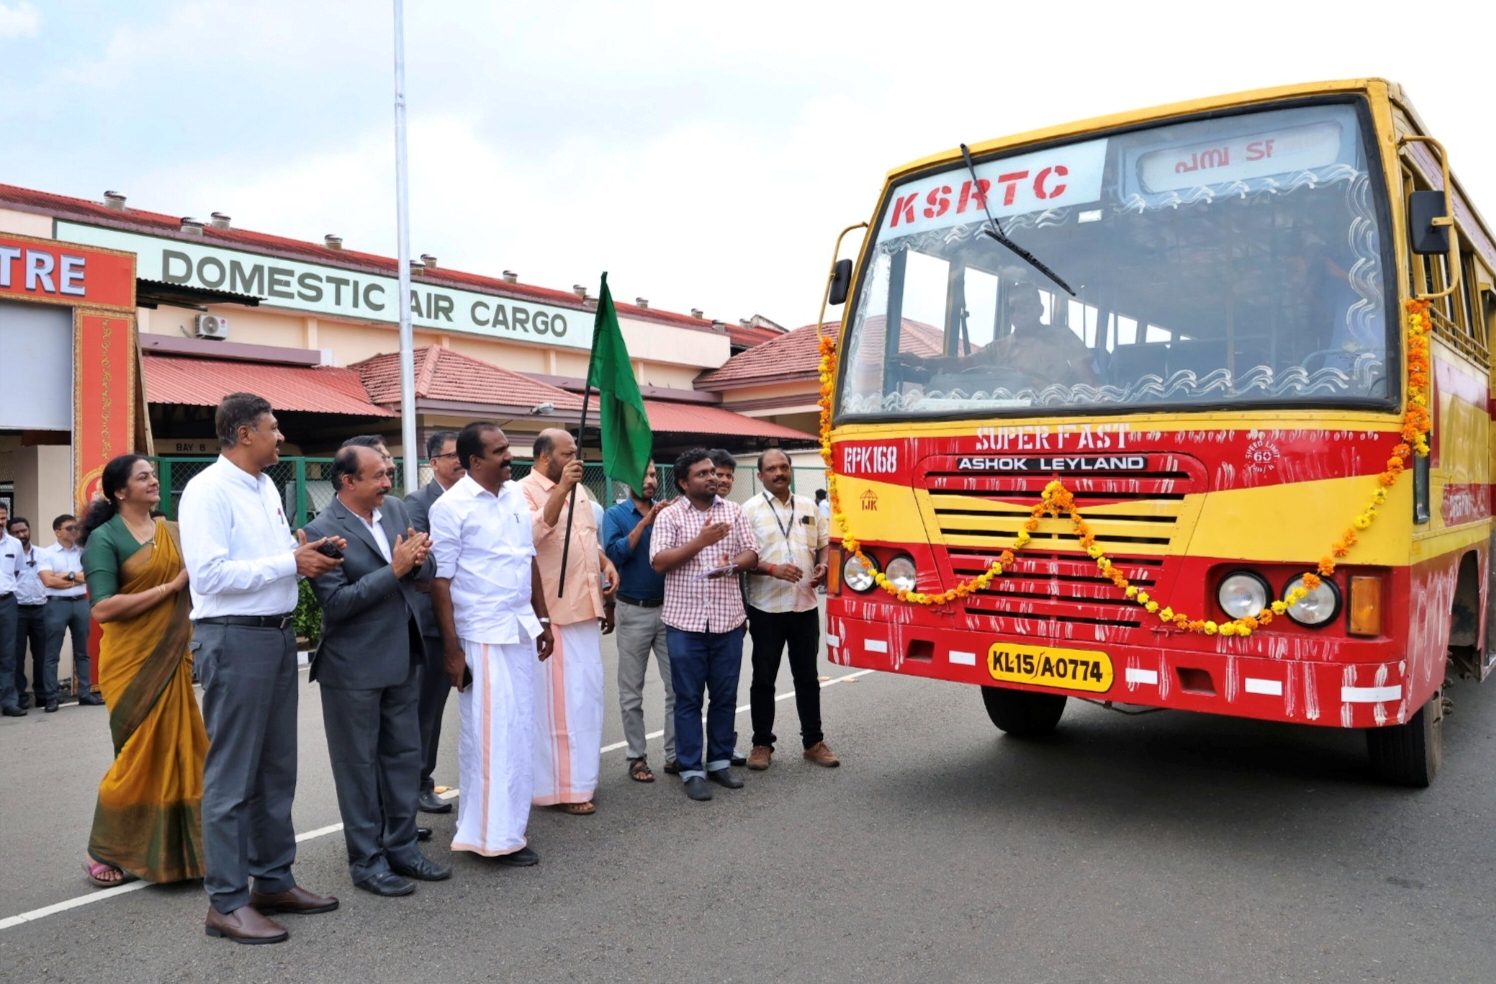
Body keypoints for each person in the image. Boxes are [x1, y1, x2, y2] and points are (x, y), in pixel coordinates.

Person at [179, 392, 345, 945]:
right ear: (245, 433)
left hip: (273, 639)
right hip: (233, 639)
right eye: (273, 428)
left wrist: (308, 551)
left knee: (277, 770)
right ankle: (226, 902)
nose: (280, 436)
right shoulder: (207, 491)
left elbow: (273, 560)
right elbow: (208, 576)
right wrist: (288, 561)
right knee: (232, 778)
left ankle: (273, 880)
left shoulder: (266, 485)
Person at [304, 445, 449, 897]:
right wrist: (396, 568)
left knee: (404, 759)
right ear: (348, 482)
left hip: (404, 657)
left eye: (388, 473)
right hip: (352, 669)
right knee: (358, 767)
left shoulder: (396, 511)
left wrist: (420, 560)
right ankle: (367, 862)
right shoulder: (320, 531)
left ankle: (403, 848)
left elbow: (428, 570)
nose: (388, 483)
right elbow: (339, 603)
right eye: (378, 476)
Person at [77, 454, 207, 889]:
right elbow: (103, 607)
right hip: (131, 662)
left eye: (153, 474)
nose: (154, 481)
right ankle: (104, 850)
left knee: (184, 750)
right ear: (119, 491)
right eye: (143, 476)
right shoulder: (105, 538)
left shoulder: (172, 531)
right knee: (136, 758)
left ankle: (181, 850)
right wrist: (170, 587)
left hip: (173, 655)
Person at [428, 422, 554, 865]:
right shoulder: (451, 507)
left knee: (518, 733)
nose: (509, 456)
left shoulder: (515, 497)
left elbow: (528, 559)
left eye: (507, 448)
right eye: (499, 451)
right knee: (489, 739)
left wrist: (542, 618)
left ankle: (508, 830)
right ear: (474, 461)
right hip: (480, 636)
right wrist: (452, 651)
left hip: (519, 629)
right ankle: (488, 837)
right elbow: (440, 581)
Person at [519, 428, 620, 816]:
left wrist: (605, 563)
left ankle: (580, 781)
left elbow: (584, 541)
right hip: (552, 614)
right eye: (568, 452)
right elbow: (531, 533)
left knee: (586, 701)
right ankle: (559, 789)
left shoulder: (579, 492)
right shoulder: (522, 490)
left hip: (585, 608)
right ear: (546, 457)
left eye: (576, 451)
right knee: (558, 707)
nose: (576, 458)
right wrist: (561, 488)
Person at [650, 448, 759, 802]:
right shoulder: (670, 516)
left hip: (728, 621)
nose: (713, 478)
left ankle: (719, 762)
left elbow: (751, 553)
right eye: (703, 474)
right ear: (683, 482)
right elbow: (659, 562)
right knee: (688, 699)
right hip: (685, 624)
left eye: (714, 472)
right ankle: (691, 768)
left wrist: (732, 565)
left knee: (725, 697)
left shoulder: (734, 511)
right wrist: (701, 541)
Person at [742, 450, 838, 770]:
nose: (779, 472)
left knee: (807, 677)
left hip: (804, 604)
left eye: (784, 466)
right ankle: (761, 744)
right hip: (766, 608)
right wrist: (772, 569)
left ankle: (813, 742)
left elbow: (824, 543)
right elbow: (740, 557)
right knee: (764, 679)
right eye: (771, 469)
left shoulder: (809, 506)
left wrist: (823, 564)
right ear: (760, 476)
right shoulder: (750, 511)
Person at [603, 463, 676, 782]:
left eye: (652, 475)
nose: (649, 480)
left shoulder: (670, 512)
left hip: (671, 610)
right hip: (632, 611)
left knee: (678, 687)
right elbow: (615, 555)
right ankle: (636, 757)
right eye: (643, 475)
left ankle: (675, 755)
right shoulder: (614, 516)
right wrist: (647, 520)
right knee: (631, 691)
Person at [404, 430, 464, 815]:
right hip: (430, 625)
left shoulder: (475, 498)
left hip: (468, 618)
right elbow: (422, 561)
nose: (460, 460)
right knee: (423, 708)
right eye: (452, 454)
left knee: (443, 707)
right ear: (433, 462)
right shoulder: (417, 503)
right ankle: (416, 784)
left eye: (464, 452)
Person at [902, 283, 1096, 389]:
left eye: (1025, 306)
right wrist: (923, 362)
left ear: (1040, 309)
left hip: (1058, 421)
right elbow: (962, 364)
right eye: (1012, 308)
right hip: (1013, 420)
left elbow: (1089, 383)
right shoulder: (998, 348)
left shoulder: (1062, 337)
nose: (1018, 313)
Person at [40, 514, 100, 711]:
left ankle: (85, 692)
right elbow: (49, 581)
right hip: (56, 605)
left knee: (82, 651)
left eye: (76, 527)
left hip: (80, 603)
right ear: (58, 531)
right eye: (69, 528)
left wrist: (67, 576)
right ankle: (51, 696)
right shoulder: (46, 554)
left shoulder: (82, 552)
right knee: (52, 652)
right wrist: (77, 578)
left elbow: (90, 576)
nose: (74, 531)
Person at [8, 517, 49, 711]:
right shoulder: (9, 554)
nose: (21, 535)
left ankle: (42, 694)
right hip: (18, 609)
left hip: (40, 608)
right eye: (16, 532)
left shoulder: (42, 553)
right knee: (16, 655)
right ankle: (20, 696)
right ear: (10, 534)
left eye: (23, 530)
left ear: (29, 529)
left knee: (42, 654)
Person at [0, 511, 24, 717]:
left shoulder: (14, 544)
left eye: (3, 517)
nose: (1, 522)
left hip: (6, 601)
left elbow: (17, 570)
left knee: (8, 654)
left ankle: (9, 702)